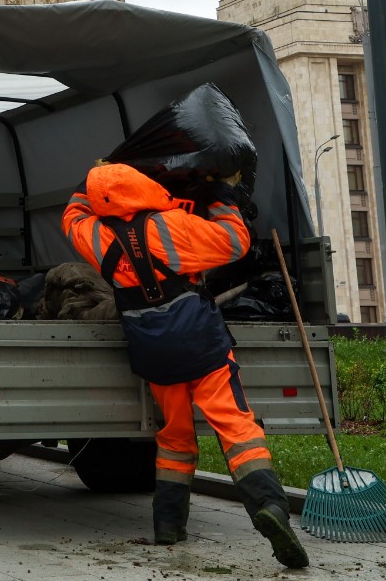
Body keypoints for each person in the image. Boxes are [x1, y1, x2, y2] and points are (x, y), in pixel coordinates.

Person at [62, 162, 308, 569]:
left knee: (174, 436)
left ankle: (168, 524)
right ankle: (270, 507)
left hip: (152, 349)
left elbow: (72, 213)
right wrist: (221, 195)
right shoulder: (174, 225)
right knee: (236, 427)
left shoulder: (97, 236)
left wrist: (88, 180)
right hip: (200, 342)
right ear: (143, 186)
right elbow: (236, 242)